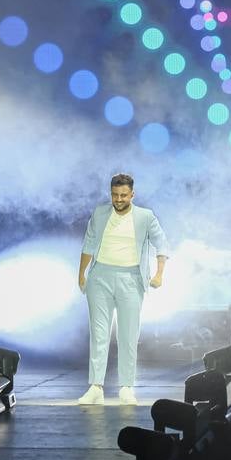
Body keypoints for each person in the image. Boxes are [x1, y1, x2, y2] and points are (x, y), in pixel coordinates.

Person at [76, 172, 169, 405]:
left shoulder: (145, 217)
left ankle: (126, 387)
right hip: (100, 277)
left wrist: (159, 274)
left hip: (131, 278)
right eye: (115, 195)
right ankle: (96, 387)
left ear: (132, 194)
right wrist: (81, 275)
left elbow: (162, 243)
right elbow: (88, 243)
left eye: (123, 195)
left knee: (128, 335)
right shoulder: (99, 213)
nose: (119, 199)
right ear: (110, 193)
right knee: (99, 334)